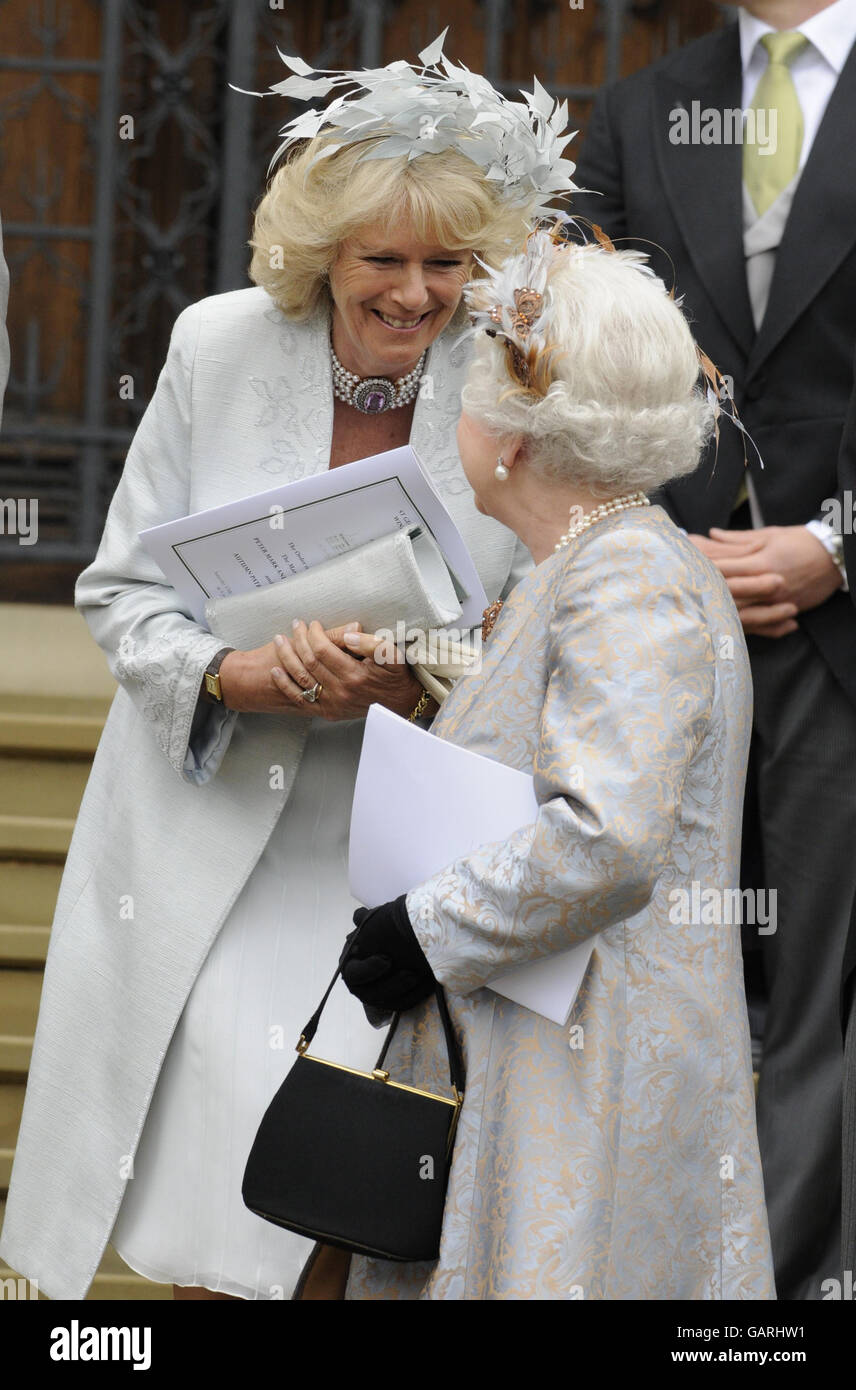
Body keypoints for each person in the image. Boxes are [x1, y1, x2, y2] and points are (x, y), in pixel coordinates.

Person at [0, 36, 577, 1301]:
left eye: (448, 263)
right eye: (384, 259)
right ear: (322, 250)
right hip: (204, 823)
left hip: (398, 845)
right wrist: (239, 675)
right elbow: (123, 589)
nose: (416, 293)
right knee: (216, 1141)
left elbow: (549, 612)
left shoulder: (514, 381)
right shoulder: (215, 345)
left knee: (345, 1163)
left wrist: (421, 675)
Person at [333, 228, 775, 1301]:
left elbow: (608, 833)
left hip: (591, 1060)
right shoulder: (592, 560)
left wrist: (423, 929)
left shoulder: (623, 577)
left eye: (477, 387)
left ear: (520, 439)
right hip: (548, 1040)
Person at [570, 0, 856, 1300]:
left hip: (837, 630)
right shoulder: (642, 104)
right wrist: (663, 556)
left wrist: (837, 547)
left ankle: (773, 1300)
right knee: (668, 968)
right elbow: (586, 356)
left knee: (811, 998)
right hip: (671, 629)